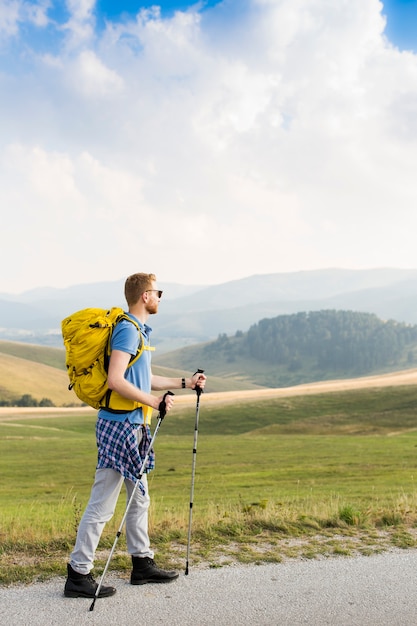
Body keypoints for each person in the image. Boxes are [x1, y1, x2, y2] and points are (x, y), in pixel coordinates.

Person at [64, 272, 206, 599]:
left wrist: (184, 383)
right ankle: (78, 573)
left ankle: (142, 564)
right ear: (145, 296)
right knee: (103, 502)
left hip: (133, 424)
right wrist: (155, 402)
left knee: (139, 497)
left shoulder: (137, 330)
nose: (159, 297)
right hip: (120, 426)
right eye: (158, 292)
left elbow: (141, 376)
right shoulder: (128, 330)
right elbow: (116, 379)